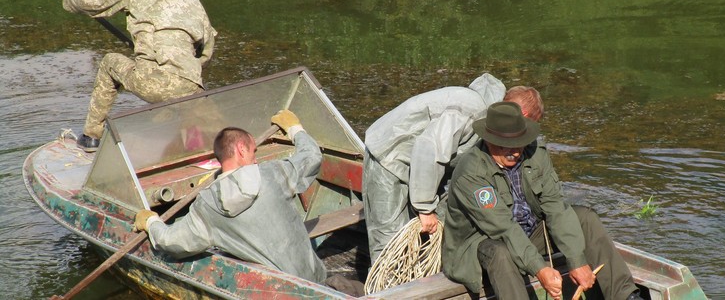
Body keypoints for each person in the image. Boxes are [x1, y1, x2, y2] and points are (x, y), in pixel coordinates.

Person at [442, 101, 642, 300]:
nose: (515, 152)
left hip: (529, 234)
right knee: (500, 252)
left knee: (584, 218)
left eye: (518, 144)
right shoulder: (471, 173)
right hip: (481, 246)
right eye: (506, 146)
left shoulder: (536, 153)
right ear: (489, 141)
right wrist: (540, 269)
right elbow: (503, 229)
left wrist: (576, 260)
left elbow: (555, 207)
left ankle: (626, 296)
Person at [53, 0, 216, 152]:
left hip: (149, 82)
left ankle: (91, 137)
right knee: (196, 111)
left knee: (109, 63)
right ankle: (190, 146)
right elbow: (207, 49)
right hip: (190, 85)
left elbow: (91, 1)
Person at [133, 111, 327, 282]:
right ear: (242, 149)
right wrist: (295, 129)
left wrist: (151, 222)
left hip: (276, 290)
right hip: (314, 280)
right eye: (253, 151)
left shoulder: (207, 205)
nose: (255, 158)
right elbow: (311, 157)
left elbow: (170, 242)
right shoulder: (273, 174)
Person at [362, 73, 506, 263]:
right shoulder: (470, 111)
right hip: (388, 156)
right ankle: (389, 290)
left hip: (414, 163)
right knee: (389, 240)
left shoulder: (475, 110)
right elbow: (429, 149)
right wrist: (425, 208)